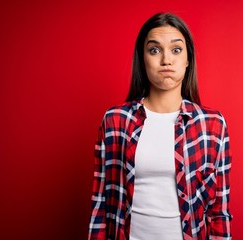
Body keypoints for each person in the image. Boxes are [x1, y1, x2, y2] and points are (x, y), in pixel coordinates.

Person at [88, 12, 232, 240]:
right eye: (154, 50)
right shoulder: (115, 120)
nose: (166, 59)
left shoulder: (212, 124)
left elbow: (219, 211)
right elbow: (101, 203)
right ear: (142, 58)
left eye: (176, 50)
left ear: (187, 59)